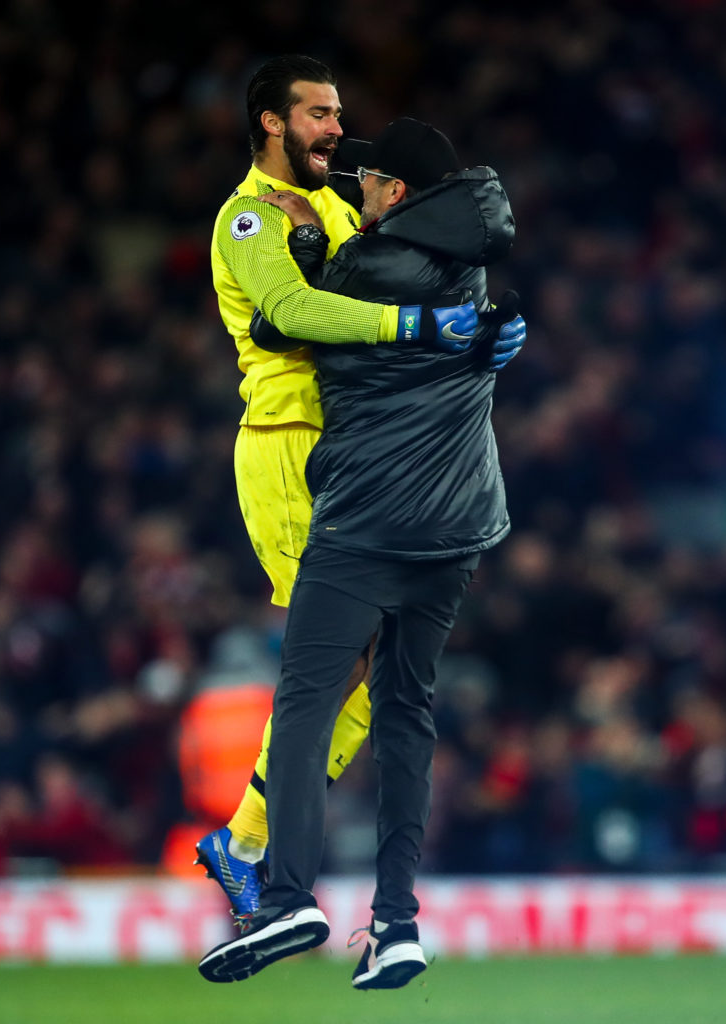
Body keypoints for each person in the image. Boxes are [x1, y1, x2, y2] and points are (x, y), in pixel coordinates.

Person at [198, 117, 521, 989]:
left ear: (398, 194)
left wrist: (302, 261)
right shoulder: (473, 263)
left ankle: (283, 891)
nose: (354, 187)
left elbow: (285, 324)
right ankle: (398, 920)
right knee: (405, 709)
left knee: (305, 701)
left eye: (369, 180)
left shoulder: (367, 266)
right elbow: (465, 329)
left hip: (367, 521)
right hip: (459, 527)